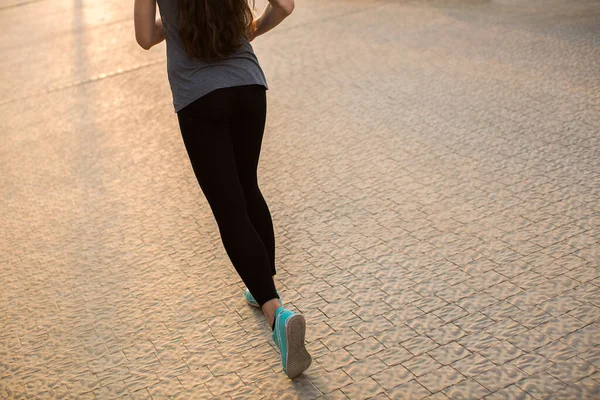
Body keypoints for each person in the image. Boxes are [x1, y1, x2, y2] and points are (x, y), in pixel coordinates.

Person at [133, 0, 311, 379]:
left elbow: (145, 37)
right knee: (248, 187)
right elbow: (284, 5)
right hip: (248, 86)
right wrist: (253, 28)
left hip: (199, 98)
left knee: (229, 208)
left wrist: (176, 21)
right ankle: (260, 283)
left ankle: (276, 313)